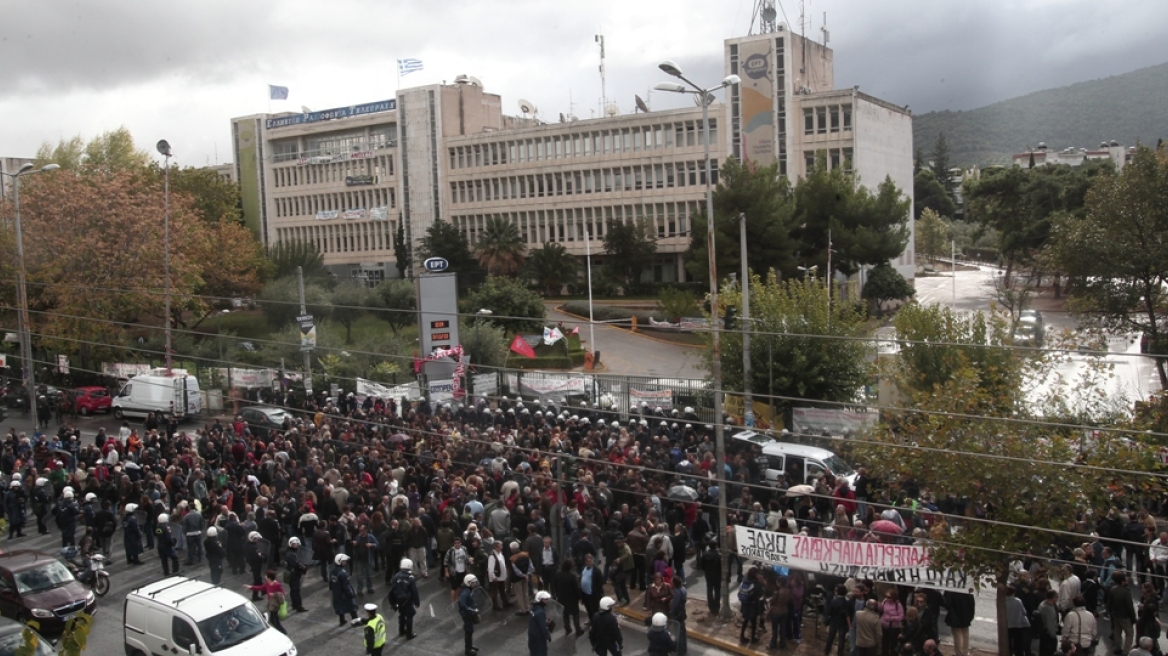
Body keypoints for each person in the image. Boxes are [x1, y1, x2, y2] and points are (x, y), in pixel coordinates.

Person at [244, 569, 287, 634]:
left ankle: (282, 632)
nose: (265, 577)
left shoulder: (276, 585)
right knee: (272, 620)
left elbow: (282, 593)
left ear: (269, 577)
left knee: (274, 620)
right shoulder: (268, 584)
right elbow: (260, 587)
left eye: (266, 576)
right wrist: (251, 587)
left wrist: (274, 594)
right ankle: (281, 631)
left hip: (275, 604)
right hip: (271, 603)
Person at [389, 558, 420, 639]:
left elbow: (392, 589)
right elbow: (414, 591)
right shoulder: (410, 578)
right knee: (409, 616)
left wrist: (393, 601)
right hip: (408, 601)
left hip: (399, 600)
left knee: (401, 615)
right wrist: (417, 602)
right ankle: (409, 634)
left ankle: (401, 630)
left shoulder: (396, 576)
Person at [1108, 572, 1138, 655]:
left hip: (1115, 614)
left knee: (1117, 631)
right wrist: (1133, 618)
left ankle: (1117, 648)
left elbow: (1109, 603)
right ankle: (1126, 651)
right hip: (1125, 616)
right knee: (1129, 633)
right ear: (1122, 581)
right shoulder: (1126, 592)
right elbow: (1130, 607)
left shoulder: (1113, 589)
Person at [554, 558, 583, 637]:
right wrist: (579, 597)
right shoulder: (572, 576)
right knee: (575, 614)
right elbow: (576, 588)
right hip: (572, 598)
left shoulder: (557, 574)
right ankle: (578, 629)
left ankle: (567, 629)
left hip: (562, 598)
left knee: (565, 614)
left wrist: (557, 594)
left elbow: (555, 585)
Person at [943, 590, 976, 656]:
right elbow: (972, 604)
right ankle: (965, 652)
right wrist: (971, 616)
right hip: (965, 616)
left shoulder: (951, 591)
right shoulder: (967, 591)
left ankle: (959, 653)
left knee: (957, 635)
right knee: (965, 634)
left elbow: (947, 604)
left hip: (955, 616)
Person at [332, 553, 359, 626]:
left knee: (339, 607)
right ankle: (355, 621)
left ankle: (342, 620)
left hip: (336, 593)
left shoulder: (333, 571)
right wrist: (351, 593)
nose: (345, 562)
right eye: (344, 561)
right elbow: (346, 585)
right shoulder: (343, 573)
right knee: (352, 607)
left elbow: (331, 584)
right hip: (344, 594)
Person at [738, 567, 764, 644]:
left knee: (745, 621)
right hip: (753, 605)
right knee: (753, 622)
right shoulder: (756, 583)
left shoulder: (744, 580)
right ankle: (753, 638)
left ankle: (742, 636)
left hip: (745, 604)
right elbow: (759, 594)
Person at [1004, 586, 1032, 656]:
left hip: (1008, 625)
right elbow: (1024, 612)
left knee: (1008, 643)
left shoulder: (1004, 601)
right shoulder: (1018, 601)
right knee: (1018, 644)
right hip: (1018, 625)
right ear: (1014, 593)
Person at [823, 583, 849, 656]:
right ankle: (840, 653)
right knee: (841, 640)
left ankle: (826, 651)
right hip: (843, 623)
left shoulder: (833, 601)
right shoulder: (847, 602)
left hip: (833, 621)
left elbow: (828, 612)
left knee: (830, 637)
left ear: (837, 591)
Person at [1136, 582, 1161, 656]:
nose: (1141, 589)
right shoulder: (1145, 597)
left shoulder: (1152, 599)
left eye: (1143, 588)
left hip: (1146, 641)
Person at [458, 574, 481, 656]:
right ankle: (468, 650)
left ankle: (470, 645)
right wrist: (472, 610)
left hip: (469, 614)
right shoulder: (465, 593)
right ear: (468, 583)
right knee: (468, 631)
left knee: (470, 630)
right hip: (467, 615)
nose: (475, 584)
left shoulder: (468, 590)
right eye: (473, 583)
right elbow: (463, 605)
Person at [284, 537, 309, 612]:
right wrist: (303, 567)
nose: (297, 545)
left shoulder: (289, 552)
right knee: (296, 591)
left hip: (291, 573)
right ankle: (299, 606)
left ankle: (294, 604)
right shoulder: (292, 554)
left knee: (293, 590)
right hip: (294, 574)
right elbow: (296, 564)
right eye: (295, 544)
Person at [699, 535, 722, 614]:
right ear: (716, 546)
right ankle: (717, 606)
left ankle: (711, 606)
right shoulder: (719, 555)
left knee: (709, 589)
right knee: (717, 591)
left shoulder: (705, 554)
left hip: (708, 574)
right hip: (717, 575)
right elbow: (721, 566)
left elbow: (702, 566)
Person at [879, 589, 906, 656]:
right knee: (884, 643)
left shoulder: (898, 605)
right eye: (886, 596)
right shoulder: (885, 601)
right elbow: (882, 609)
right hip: (884, 625)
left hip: (894, 627)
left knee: (893, 644)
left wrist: (893, 618)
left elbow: (902, 616)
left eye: (889, 597)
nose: (887, 598)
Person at [487, 539, 511, 611]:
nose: (502, 547)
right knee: (495, 592)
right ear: (496, 547)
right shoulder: (492, 556)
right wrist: (493, 577)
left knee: (502, 590)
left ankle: (505, 602)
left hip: (501, 577)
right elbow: (490, 568)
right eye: (501, 546)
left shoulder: (500, 554)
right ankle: (495, 605)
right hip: (496, 577)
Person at [529, 590, 553, 656]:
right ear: (540, 600)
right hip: (539, 638)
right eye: (546, 599)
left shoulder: (534, 608)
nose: (547, 601)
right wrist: (548, 636)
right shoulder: (540, 612)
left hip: (532, 636)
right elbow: (543, 627)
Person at [1037, 591, 1060, 656]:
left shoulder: (1042, 604)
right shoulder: (1048, 609)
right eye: (1056, 597)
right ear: (1053, 598)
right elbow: (1050, 624)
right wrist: (1053, 635)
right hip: (1048, 635)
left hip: (1043, 633)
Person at [669, 575, 688, 656]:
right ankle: (684, 647)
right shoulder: (683, 589)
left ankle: (680, 650)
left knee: (679, 633)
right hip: (682, 613)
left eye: (671, 582)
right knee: (683, 631)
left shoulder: (677, 592)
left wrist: (670, 613)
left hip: (677, 615)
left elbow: (675, 605)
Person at [245, 531, 265, 600]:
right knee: (257, 579)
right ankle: (255, 596)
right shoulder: (255, 547)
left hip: (252, 563)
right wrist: (263, 557)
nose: (257, 540)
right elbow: (258, 557)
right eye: (256, 539)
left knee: (258, 578)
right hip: (256, 564)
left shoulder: (247, 545)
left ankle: (263, 590)